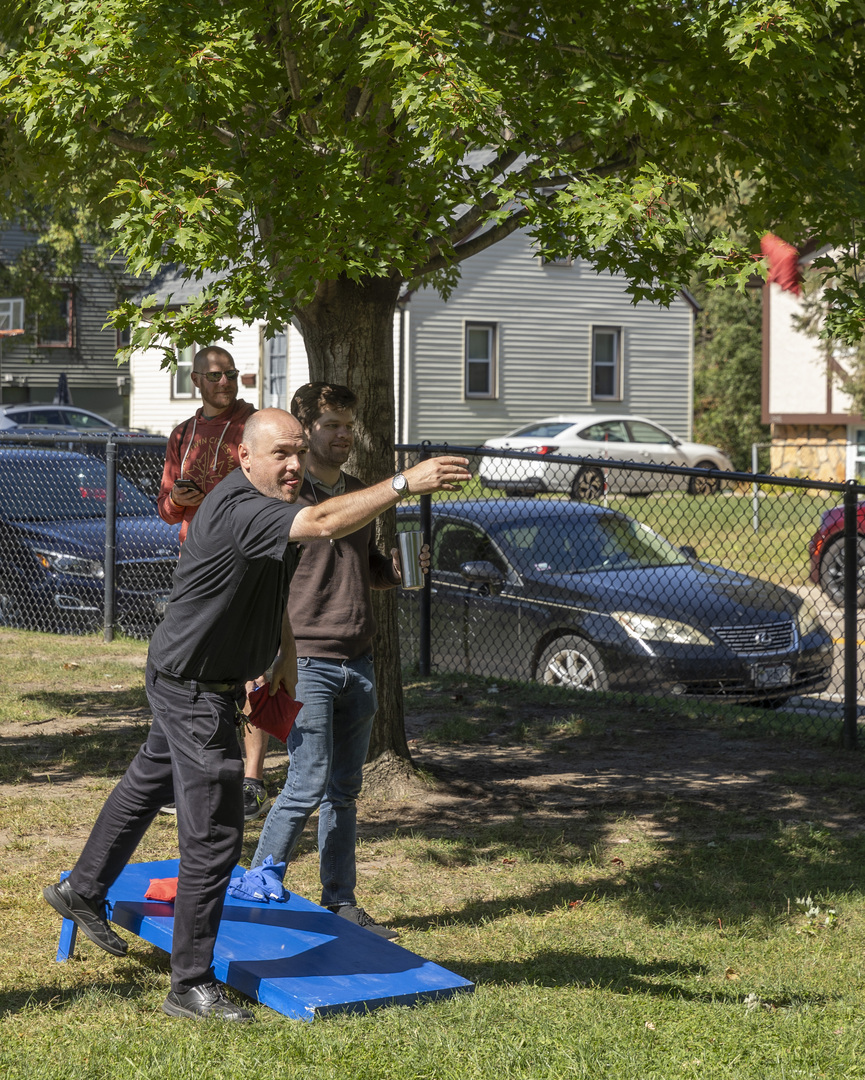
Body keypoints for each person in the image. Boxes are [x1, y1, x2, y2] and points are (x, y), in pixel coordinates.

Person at [42, 408, 470, 1021]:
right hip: (192, 687)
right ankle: (188, 985)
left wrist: (285, 657)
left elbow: (280, 588)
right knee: (216, 834)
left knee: (146, 781)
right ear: (246, 458)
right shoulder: (243, 506)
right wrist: (404, 482)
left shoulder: (270, 503)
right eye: (280, 454)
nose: (294, 464)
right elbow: (322, 522)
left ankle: (80, 890)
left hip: (195, 674)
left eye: (299, 452)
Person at [252, 383, 422, 940]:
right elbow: (262, 580)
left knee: (344, 790)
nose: (344, 435)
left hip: (359, 659)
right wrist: (268, 655)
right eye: (331, 426)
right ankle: (259, 886)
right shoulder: (286, 498)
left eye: (349, 425)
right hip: (306, 661)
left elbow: (365, 567)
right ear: (305, 432)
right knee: (305, 782)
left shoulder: (357, 494)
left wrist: (394, 572)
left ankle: (340, 902)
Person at [156, 344, 270, 820]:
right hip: (194, 563)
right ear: (196, 381)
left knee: (251, 666)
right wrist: (180, 499)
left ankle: (252, 780)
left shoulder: (254, 426)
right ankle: (189, 773)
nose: (225, 382)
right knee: (189, 668)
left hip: (246, 558)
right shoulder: (183, 434)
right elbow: (165, 510)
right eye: (216, 376)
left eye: (231, 374)